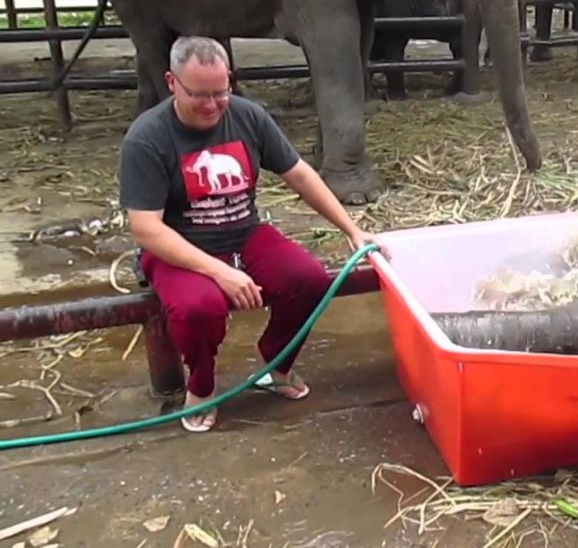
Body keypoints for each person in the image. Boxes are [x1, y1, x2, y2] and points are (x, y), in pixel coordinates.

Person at [118, 35, 382, 433]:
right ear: (172, 83)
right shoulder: (147, 137)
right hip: (178, 247)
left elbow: (299, 174)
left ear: (231, 78)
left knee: (309, 279)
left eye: (220, 92)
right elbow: (146, 228)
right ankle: (201, 387)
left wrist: (352, 229)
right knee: (199, 308)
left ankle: (276, 362)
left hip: (243, 233)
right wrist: (219, 272)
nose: (212, 105)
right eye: (199, 95)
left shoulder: (248, 116)